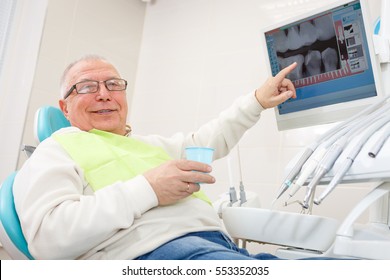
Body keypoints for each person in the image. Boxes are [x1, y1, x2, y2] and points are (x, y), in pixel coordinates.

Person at [13, 54, 297, 260]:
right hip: (157, 254)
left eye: (113, 84)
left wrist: (257, 101)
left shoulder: (146, 145)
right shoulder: (55, 150)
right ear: (65, 107)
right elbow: (49, 239)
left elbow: (205, 141)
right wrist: (148, 189)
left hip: (222, 249)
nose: (104, 94)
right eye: (87, 87)